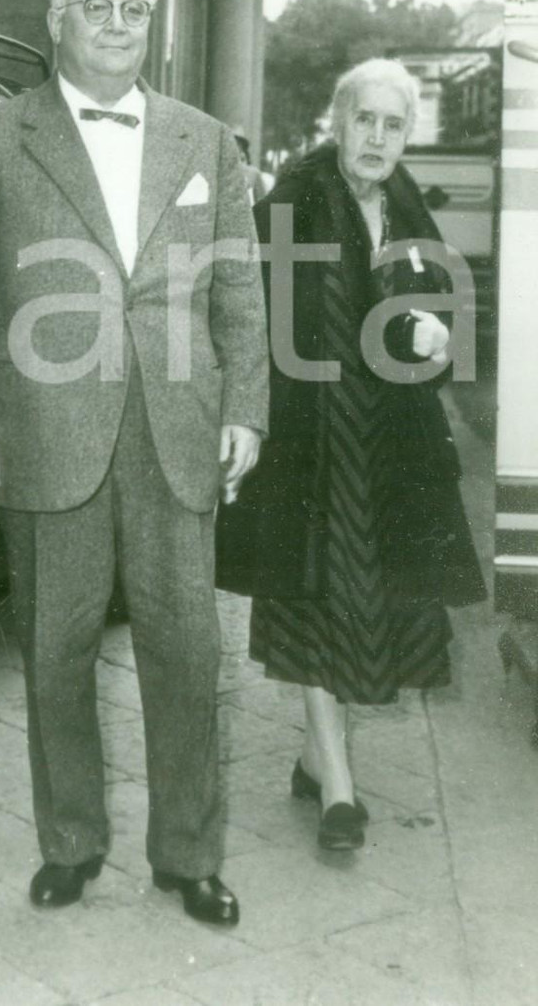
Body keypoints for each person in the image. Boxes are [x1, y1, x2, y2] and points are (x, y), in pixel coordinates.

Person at [0, 0, 268, 924]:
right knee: (55, 647)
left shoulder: (205, 141)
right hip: (42, 429)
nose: (117, 27)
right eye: (97, 9)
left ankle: (188, 855)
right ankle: (69, 842)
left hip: (176, 427)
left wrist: (246, 405)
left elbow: (240, 290)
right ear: (57, 20)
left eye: (132, 11)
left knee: (186, 652)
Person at [216, 58, 486, 852]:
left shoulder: (403, 203)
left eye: (392, 124)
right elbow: (244, 317)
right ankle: (338, 788)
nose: (376, 137)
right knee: (318, 609)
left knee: (377, 616)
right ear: (338, 122)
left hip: (388, 452)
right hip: (312, 448)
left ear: (409, 134)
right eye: (363, 120)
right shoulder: (294, 196)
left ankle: (311, 757)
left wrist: (438, 334)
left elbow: (431, 306)